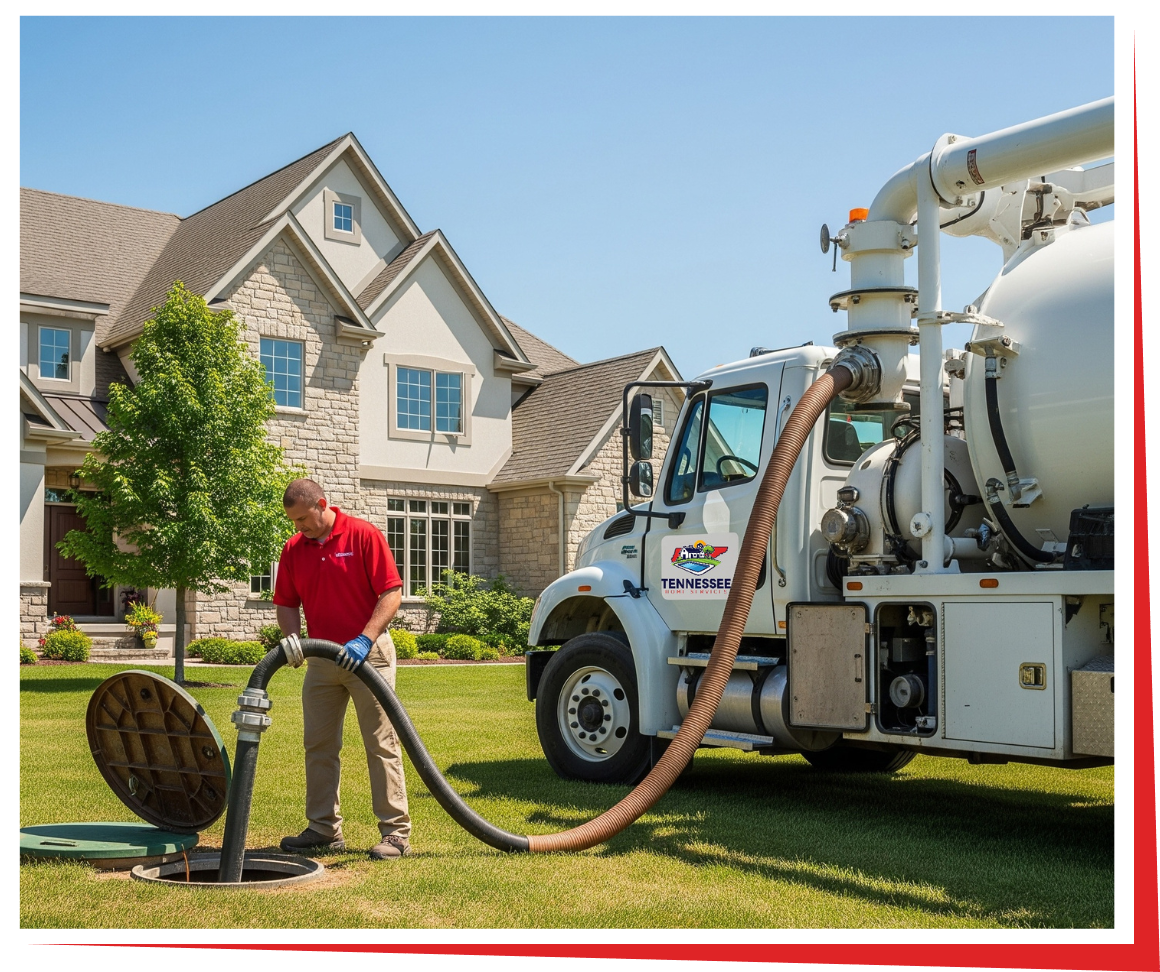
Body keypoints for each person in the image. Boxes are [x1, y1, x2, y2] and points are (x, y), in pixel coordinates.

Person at [272, 478, 411, 859]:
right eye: (294, 522)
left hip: (368, 656)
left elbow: (391, 592)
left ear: (322, 503)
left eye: (303, 519)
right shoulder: (295, 548)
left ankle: (395, 833)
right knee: (318, 744)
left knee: (381, 742)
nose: (299, 527)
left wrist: (366, 637)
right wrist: (292, 637)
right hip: (321, 659)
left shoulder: (363, 535)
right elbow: (285, 600)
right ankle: (323, 829)